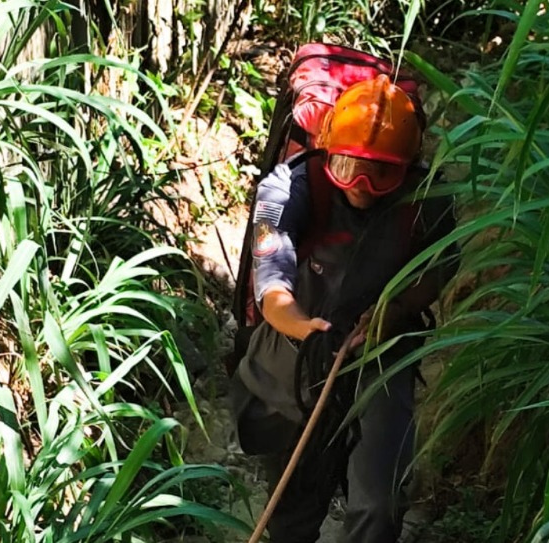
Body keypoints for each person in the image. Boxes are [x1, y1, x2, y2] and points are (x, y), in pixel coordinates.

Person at [231, 74, 458, 543]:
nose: (360, 182)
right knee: (292, 515)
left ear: (406, 167)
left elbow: (440, 268)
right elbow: (270, 280)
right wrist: (304, 329)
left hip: (380, 356)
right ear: (328, 147)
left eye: (379, 172)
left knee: (379, 505)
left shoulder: (427, 201)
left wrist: (394, 310)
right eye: (348, 164)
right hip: (295, 357)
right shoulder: (287, 188)